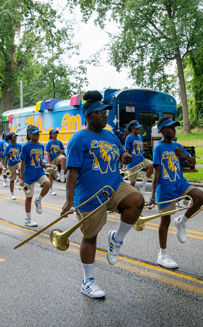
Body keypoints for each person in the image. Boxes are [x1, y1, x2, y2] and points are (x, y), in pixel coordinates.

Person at [61, 90, 145, 299]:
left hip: (114, 185)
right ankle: (87, 281)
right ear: (88, 115)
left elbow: (120, 154)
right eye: (99, 112)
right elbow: (72, 171)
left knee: (136, 200)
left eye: (105, 112)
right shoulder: (79, 138)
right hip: (89, 194)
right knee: (90, 237)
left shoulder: (110, 134)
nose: (104, 115)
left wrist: (125, 157)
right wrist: (69, 200)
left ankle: (116, 238)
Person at [147, 117, 203, 268]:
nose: (173, 130)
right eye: (169, 127)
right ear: (161, 130)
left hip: (180, 184)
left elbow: (192, 162)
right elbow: (157, 173)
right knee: (165, 221)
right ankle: (163, 254)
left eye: (174, 127)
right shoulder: (158, 148)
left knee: (200, 197)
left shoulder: (177, 146)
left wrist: (184, 156)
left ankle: (182, 221)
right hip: (165, 188)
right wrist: (152, 196)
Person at [19, 125, 51, 227]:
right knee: (29, 197)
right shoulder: (26, 146)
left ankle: (38, 200)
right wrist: (21, 178)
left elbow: (40, 160)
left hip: (39, 171)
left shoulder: (41, 146)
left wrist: (45, 165)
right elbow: (22, 163)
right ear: (29, 135)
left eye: (38, 133)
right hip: (28, 173)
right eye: (35, 134)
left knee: (47, 184)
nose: (37, 135)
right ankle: (28, 219)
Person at [124, 120, 153, 194]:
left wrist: (143, 144)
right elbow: (126, 151)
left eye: (139, 128)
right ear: (132, 129)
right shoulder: (129, 138)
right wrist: (125, 163)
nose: (138, 130)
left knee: (152, 166)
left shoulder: (139, 137)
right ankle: (131, 197)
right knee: (132, 183)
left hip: (141, 159)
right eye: (137, 129)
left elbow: (138, 144)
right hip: (132, 162)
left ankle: (143, 184)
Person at [46, 129, 67, 195]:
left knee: (63, 158)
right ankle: (50, 189)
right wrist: (49, 162)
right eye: (54, 133)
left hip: (57, 157)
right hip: (51, 159)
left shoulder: (59, 142)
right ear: (51, 135)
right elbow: (48, 153)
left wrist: (60, 150)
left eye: (56, 134)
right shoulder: (49, 143)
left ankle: (62, 173)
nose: (55, 135)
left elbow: (63, 151)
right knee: (51, 175)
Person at [4, 133, 22, 200]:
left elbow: (21, 154)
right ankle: (12, 194)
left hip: (18, 161)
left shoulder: (19, 145)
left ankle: (19, 179)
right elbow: (6, 157)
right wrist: (5, 167)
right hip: (11, 164)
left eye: (16, 137)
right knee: (12, 180)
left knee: (21, 168)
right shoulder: (8, 146)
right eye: (14, 137)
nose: (15, 138)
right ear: (11, 138)